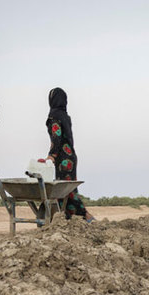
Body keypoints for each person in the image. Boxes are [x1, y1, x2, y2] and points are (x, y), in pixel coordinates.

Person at [44, 88, 94, 222]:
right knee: (68, 190)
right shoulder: (65, 117)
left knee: (65, 191)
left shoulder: (54, 116)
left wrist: (51, 155)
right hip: (71, 156)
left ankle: (86, 217)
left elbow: (57, 137)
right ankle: (70, 219)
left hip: (63, 158)